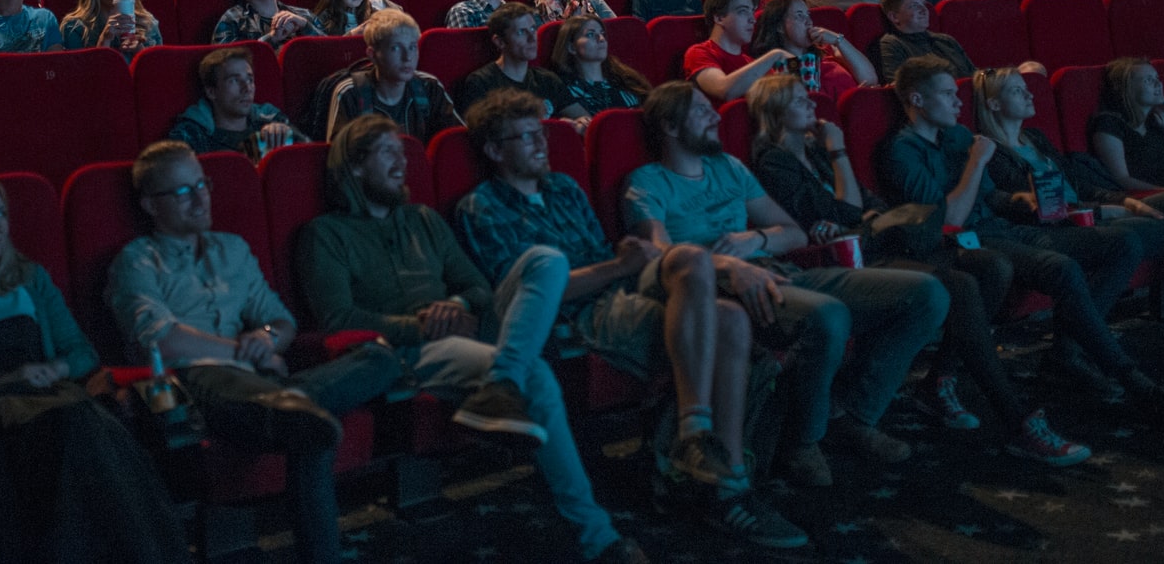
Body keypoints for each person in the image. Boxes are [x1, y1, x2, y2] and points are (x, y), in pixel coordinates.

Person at [452, 90, 808, 548]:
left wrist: (627, 264)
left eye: (541, 133)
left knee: (699, 271)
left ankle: (700, 440)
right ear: (495, 150)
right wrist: (619, 266)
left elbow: (611, 259)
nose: (542, 144)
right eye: (526, 137)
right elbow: (527, 296)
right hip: (576, 313)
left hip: (618, 289)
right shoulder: (482, 207)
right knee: (729, 325)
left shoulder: (563, 188)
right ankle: (727, 488)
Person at [295, 116, 652, 564]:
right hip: (411, 348)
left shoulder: (422, 219)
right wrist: (422, 325)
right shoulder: (325, 235)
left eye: (403, 153)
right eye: (387, 153)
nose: (402, 163)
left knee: (546, 259)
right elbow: (338, 318)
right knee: (536, 374)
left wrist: (459, 305)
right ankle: (598, 537)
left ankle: (502, 383)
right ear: (354, 167)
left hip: (467, 327)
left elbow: (480, 287)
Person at [747, 75, 1091, 466]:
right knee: (959, 286)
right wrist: (842, 156)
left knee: (992, 266)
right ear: (774, 112)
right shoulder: (775, 160)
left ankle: (939, 379)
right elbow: (843, 212)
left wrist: (863, 207)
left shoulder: (817, 149)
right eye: (798, 100)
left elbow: (866, 202)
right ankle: (1017, 417)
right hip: (858, 258)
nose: (812, 103)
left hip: (889, 240)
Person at [626, 81, 948, 484]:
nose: (715, 116)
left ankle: (852, 412)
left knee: (926, 294)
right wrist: (727, 265)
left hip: (779, 268)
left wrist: (755, 238)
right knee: (828, 316)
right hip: (724, 288)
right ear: (670, 127)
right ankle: (803, 442)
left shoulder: (730, 167)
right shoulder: (647, 182)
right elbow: (662, 257)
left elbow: (793, 234)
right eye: (700, 110)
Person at [877, 56, 1164, 429]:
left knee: (1121, 244)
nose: (958, 102)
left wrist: (1023, 201)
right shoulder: (902, 151)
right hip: (964, 243)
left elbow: (991, 199)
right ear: (917, 101)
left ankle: (1066, 355)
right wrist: (976, 163)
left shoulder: (955, 136)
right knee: (1062, 268)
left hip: (1003, 227)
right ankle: (1138, 386)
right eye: (946, 94)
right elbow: (950, 219)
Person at [108, 141, 400, 564]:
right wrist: (242, 352)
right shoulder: (137, 261)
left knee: (380, 357)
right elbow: (159, 340)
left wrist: (265, 339)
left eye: (201, 185)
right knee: (303, 424)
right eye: (183, 192)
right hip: (195, 386)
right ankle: (295, 412)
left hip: (260, 383)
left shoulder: (233, 249)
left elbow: (280, 321)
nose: (200, 198)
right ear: (151, 205)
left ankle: (293, 406)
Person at [0, 172, 191, 564]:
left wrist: (55, 367)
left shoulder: (29, 280)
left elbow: (81, 353)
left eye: (1, 213)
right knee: (83, 428)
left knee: (81, 426)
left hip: (55, 403)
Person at [984, 61, 1164, 365]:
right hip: (1077, 224)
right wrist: (1108, 209)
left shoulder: (1036, 139)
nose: (1030, 95)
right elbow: (1037, 208)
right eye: (1018, 90)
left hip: (1114, 207)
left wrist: (1124, 203)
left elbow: (1082, 185)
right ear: (993, 104)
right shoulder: (993, 152)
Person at [323, 9, 461, 142]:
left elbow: (455, 141)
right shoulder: (351, 93)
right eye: (396, 48)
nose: (407, 57)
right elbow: (340, 159)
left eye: (412, 47)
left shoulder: (429, 87)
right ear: (372, 54)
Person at [454, 3, 588, 129]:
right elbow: (484, 135)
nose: (532, 38)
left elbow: (583, 118)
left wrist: (579, 125)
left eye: (533, 29)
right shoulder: (481, 82)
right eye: (521, 32)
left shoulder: (547, 79)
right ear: (500, 42)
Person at [167, 48, 304, 158]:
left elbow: (308, 161)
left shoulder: (270, 120)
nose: (247, 88)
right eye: (234, 80)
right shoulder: (192, 135)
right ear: (211, 92)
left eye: (250, 79)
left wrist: (288, 134)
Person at [753, 0, 877, 106]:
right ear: (780, 27)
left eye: (808, 15)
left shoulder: (829, 51)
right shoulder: (774, 70)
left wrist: (838, 40)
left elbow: (870, 80)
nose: (809, 22)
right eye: (800, 16)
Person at [875, 0, 1013, 82]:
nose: (924, 10)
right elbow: (898, 86)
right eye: (914, 6)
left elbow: (974, 73)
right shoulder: (892, 43)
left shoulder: (945, 40)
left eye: (923, 4)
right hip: (936, 111)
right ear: (894, 17)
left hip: (971, 101)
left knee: (1028, 69)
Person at [551, 14, 650, 113]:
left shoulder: (626, 80)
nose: (601, 39)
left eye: (602, 33)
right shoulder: (565, 91)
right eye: (590, 34)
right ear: (571, 47)